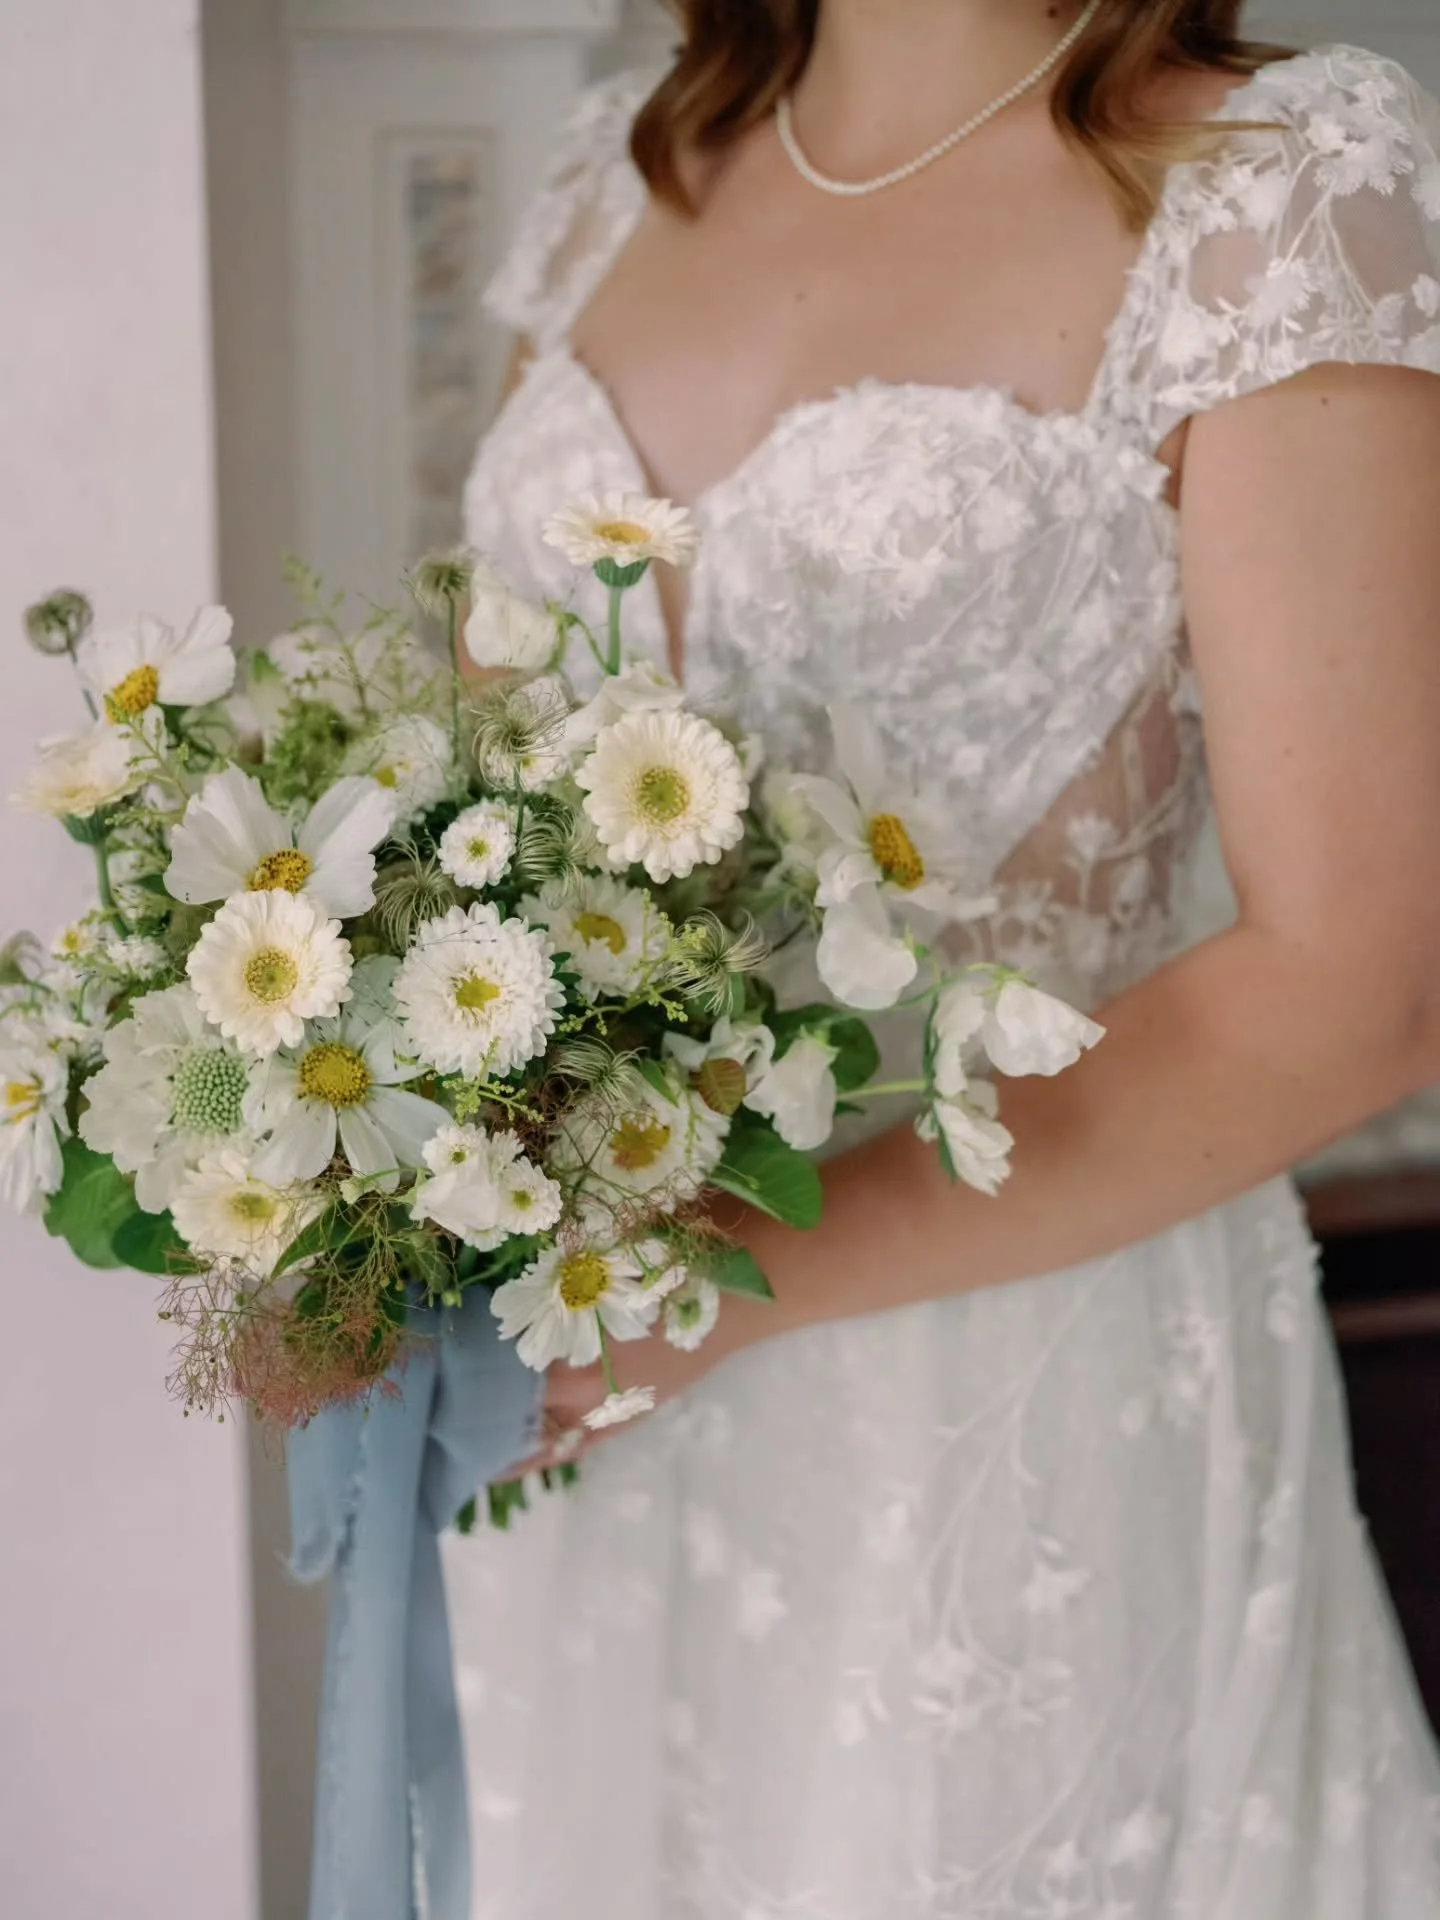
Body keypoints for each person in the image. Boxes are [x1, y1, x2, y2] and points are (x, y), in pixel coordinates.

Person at [445, 3, 1440, 1912]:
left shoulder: (1274, 175)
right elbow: (479, 840)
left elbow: (1361, 980)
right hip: (585, 1399)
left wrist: (734, 1266)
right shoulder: (613, 175)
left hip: (1006, 1387)